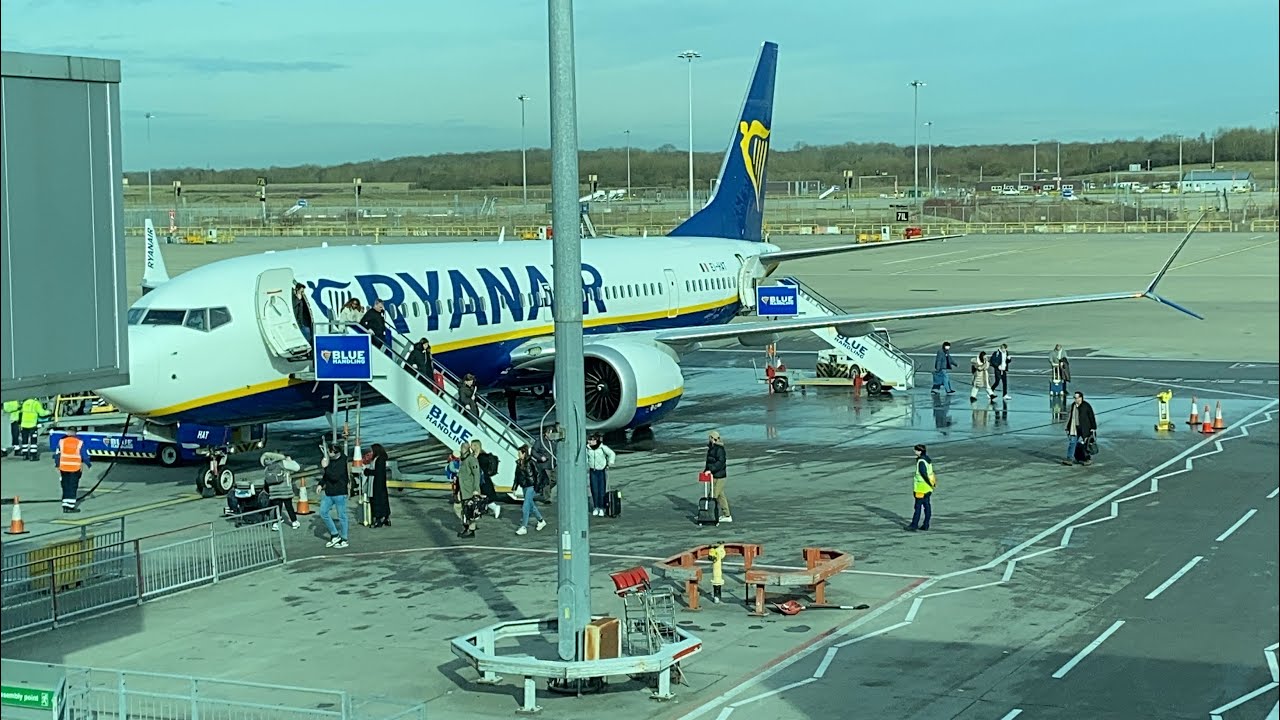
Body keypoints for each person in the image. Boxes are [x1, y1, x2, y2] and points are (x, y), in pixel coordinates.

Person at [318, 444, 350, 548]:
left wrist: (325, 467)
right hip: (329, 492)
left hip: (340, 492)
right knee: (323, 512)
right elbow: (327, 475)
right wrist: (321, 484)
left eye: (330, 452)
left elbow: (334, 476)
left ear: (335, 453)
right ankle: (335, 534)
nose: (328, 453)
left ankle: (344, 538)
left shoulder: (342, 462)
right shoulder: (331, 460)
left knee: (342, 516)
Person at [53, 428, 92, 513]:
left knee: (65, 486)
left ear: (68, 432)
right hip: (74, 468)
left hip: (63, 468)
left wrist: (57, 464)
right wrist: (88, 464)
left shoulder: (61, 442)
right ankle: (70, 506)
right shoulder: (79, 442)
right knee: (72, 487)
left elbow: (57, 454)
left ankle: (65, 505)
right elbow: (84, 455)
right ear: (75, 433)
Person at [262, 451, 302, 530]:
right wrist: (290, 460)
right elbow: (297, 468)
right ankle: (294, 522)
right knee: (289, 506)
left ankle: (275, 523)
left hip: (274, 492)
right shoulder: (282, 463)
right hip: (285, 490)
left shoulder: (267, 467)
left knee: (277, 507)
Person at [513, 445, 547, 536]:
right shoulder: (519, 463)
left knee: (526, 506)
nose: (518, 455)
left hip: (531, 486)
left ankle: (524, 527)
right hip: (524, 486)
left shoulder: (531, 462)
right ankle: (541, 520)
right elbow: (517, 476)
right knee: (531, 505)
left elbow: (538, 474)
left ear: (524, 453)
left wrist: (536, 486)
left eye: (519, 453)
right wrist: (514, 487)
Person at [905, 444, 936, 531]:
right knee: (927, 506)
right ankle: (926, 525)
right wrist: (932, 484)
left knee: (918, 507)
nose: (915, 452)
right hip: (928, 488)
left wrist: (929, 483)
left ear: (920, 451)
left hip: (921, 488)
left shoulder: (921, 461)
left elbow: (923, 474)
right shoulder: (927, 459)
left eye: (916, 450)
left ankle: (914, 525)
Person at [1062, 391, 1097, 466]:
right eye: (1074, 397)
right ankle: (1069, 459)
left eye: (1076, 397)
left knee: (1086, 444)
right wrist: (1068, 427)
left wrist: (1093, 427)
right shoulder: (1073, 405)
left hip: (1085, 428)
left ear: (1081, 398)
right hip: (1075, 428)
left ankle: (1087, 459)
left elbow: (1091, 416)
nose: (1075, 399)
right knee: (1072, 443)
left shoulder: (1086, 406)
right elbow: (1071, 417)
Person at [704, 430, 732, 523]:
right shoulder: (711, 448)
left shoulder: (719, 449)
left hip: (720, 476)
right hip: (714, 475)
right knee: (720, 495)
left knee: (713, 495)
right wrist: (706, 471)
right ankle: (727, 515)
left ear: (712, 438)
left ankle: (709, 514)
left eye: (710, 437)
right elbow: (709, 461)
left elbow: (720, 462)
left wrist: (710, 470)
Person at [585, 434, 617, 517]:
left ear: (596, 440)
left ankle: (601, 508)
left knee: (602, 490)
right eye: (589, 440)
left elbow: (611, 454)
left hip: (601, 471)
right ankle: (596, 507)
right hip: (593, 471)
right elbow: (585, 458)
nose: (590, 442)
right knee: (594, 490)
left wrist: (610, 462)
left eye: (592, 440)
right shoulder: (587, 449)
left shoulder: (602, 447)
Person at [454, 443, 481, 538]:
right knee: (460, 508)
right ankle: (467, 525)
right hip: (462, 488)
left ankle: (470, 529)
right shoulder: (463, 459)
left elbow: (476, 474)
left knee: (470, 510)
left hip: (469, 489)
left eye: (463, 448)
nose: (462, 449)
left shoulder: (471, 459)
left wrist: (476, 489)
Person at [470, 439, 502, 519]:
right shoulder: (483, 455)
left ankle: (494, 508)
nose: (471, 447)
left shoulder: (480, 457)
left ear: (476, 446)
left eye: (472, 445)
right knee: (481, 497)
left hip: (483, 480)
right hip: (484, 480)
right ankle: (481, 511)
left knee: (482, 497)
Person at [366, 443, 391, 527]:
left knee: (377, 502)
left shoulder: (379, 460)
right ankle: (385, 517)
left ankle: (378, 519)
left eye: (371, 451)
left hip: (377, 484)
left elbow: (377, 472)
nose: (370, 452)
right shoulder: (379, 459)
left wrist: (367, 471)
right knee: (382, 501)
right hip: (379, 484)